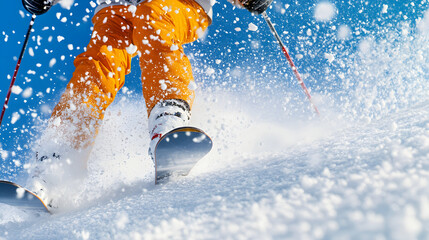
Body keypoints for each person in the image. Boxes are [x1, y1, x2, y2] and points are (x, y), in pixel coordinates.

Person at [22, 0, 272, 210]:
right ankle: (54, 167)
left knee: (153, 16)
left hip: (178, 4)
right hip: (117, 7)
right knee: (97, 66)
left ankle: (168, 119)